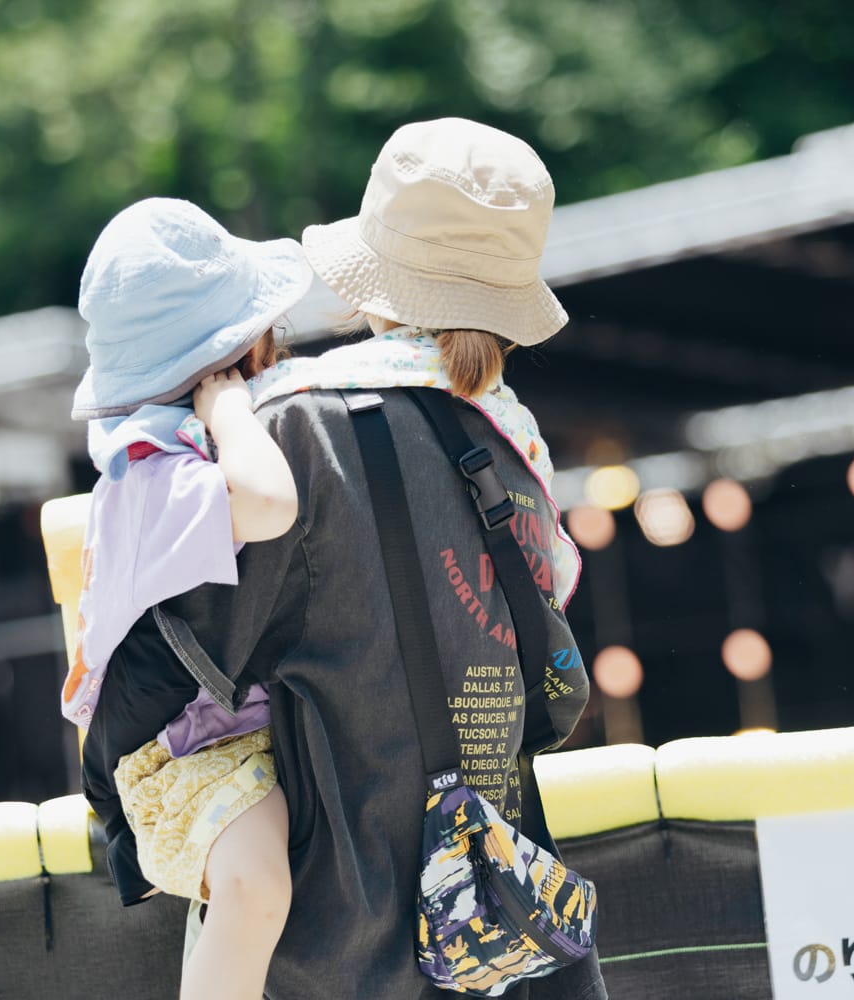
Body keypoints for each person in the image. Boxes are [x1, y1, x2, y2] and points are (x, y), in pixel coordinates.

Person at [158, 118, 608, 998]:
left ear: (377, 283)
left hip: (340, 928)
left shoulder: (298, 429)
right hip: (493, 928)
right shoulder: (514, 444)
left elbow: (189, 657)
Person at [64, 197, 311, 1000]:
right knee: (254, 886)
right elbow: (269, 504)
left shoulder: (169, 460)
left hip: (230, 732)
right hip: (179, 756)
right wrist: (231, 410)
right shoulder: (155, 472)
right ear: (228, 361)